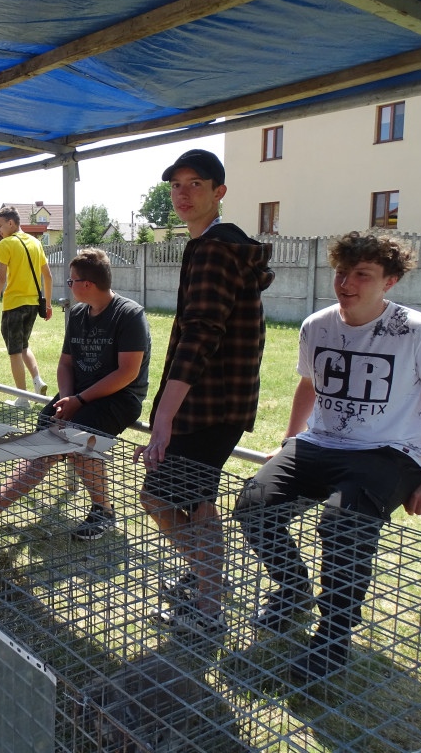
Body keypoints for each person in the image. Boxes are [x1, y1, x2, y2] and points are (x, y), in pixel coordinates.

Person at [235, 231, 421, 681]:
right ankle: (292, 588)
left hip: (389, 452)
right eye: (342, 271)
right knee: (253, 505)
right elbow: (309, 383)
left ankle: (333, 640)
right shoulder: (317, 325)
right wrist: (290, 439)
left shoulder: (420, 333)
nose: (347, 283)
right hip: (320, 442)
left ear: (390, 281)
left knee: (343, 526)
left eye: (363, 274)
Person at [134, 149, 274, 637]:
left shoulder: (215, 249)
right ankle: (207, 581)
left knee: (160, 498)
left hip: (208, 405)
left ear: (220, 192)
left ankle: (211, 600)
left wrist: (165, 418)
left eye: (196, 184)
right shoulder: (217, 245)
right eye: (176, 184)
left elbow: (200, 333)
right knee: (197, 501)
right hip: (218, 402)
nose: (182, 193)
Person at [0, 249, 150, 541]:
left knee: (73, 439)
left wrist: (79, 402)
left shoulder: (129, 314)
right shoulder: (79, 313)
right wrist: (65, 400)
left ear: (87, 284)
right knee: (47, 435)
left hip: (119, 398)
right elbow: (65, 363)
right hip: (78, 395)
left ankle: (103, 511)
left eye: (71, 281)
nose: (67, 285)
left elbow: (127, 374)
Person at [0, 206, 53, 409]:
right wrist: (47, 304)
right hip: (33, 304)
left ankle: (22, 399)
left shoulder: (6, 244)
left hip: (14, 305)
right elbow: (47, 276)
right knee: (23, 346)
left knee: (14, 351)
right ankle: (37, 380)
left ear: (11, 223)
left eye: (0, 226)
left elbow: (0, 279)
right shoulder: (35, 242)